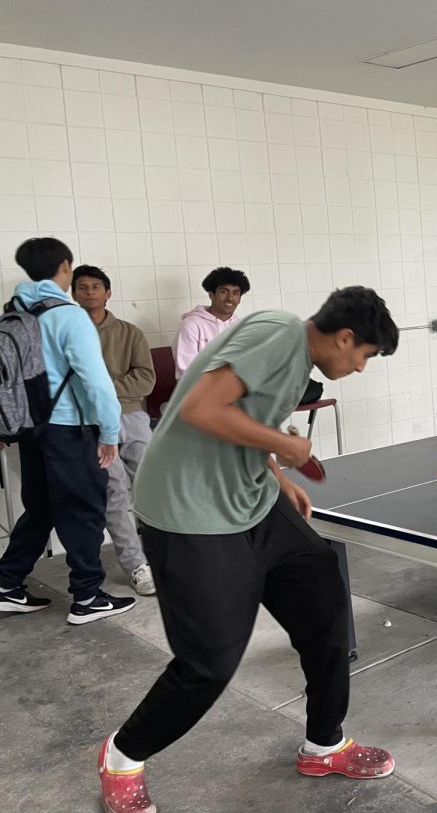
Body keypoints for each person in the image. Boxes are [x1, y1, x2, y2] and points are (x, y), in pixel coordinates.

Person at [99, 287, 400, 813]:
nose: (361, 368)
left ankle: (324, 743)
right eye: (365, 357)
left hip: (253, 501)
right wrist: (290, 446)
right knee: (210, 661)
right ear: (346, 338)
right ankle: (123, 754)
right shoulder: (280, 334)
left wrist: (278, 475)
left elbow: (245, 414)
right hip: (188, 511)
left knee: (324, 600)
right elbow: (198, 407)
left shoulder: (294, 352)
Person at [0, 238, 135, 624]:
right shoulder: (68, 315)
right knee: (83, 509)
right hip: (68, 429)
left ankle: (7, 584)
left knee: (40, 508)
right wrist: (109, 431)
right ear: (65, 267)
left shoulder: (15, 312)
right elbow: (95, 381)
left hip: (29, 429)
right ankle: (87, 596)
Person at [72, 264, 157, 596]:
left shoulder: (130, 332)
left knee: (152, 486)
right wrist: (106, 389)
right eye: (82, 287)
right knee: (115, 492)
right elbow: (71, 387)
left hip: (132, 417)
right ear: (73, 293)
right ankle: (136, 564)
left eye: (96, 286)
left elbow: (145, 380)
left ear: (108, 293)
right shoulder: (68, 333)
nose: (89, 292)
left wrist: (100, 386)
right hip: (92, 424)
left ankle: (167, 554)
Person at [171, 266, 249, 378]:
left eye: (236, 293)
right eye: (224, 292)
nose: (230, 298)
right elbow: (187, 371)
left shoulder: (242, 327)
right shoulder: (192, 324)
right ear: (211, 295)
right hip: (198, 389)